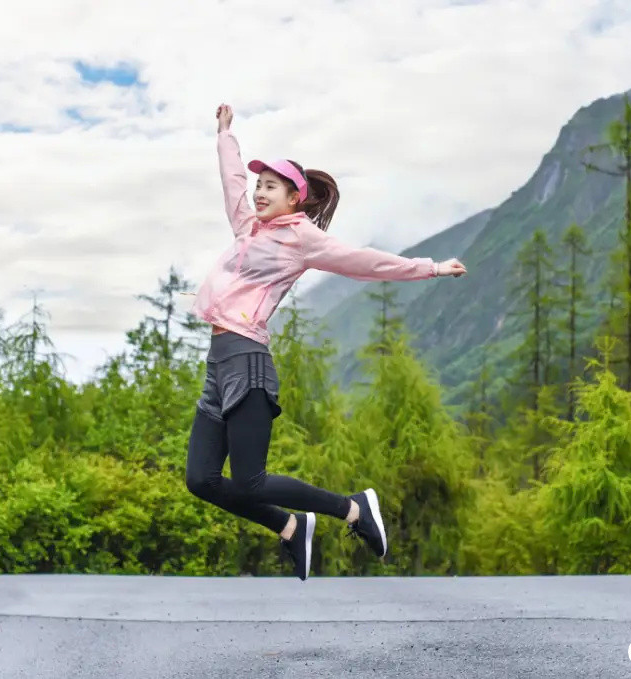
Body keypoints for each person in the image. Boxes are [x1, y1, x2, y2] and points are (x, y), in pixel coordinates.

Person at [185, 103, 467, 581]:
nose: (258, 192)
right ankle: (291, 527)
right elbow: (232, 182)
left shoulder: (303, 239)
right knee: (201, 480)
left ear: (295, 198)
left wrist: (431, 267)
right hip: (219, 363)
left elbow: (364, 261)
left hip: (248, 359)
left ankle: (353, 510)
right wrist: (226, 138)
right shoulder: (248, 228)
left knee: (250, 480)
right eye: (259, 186)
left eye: (270, 187)